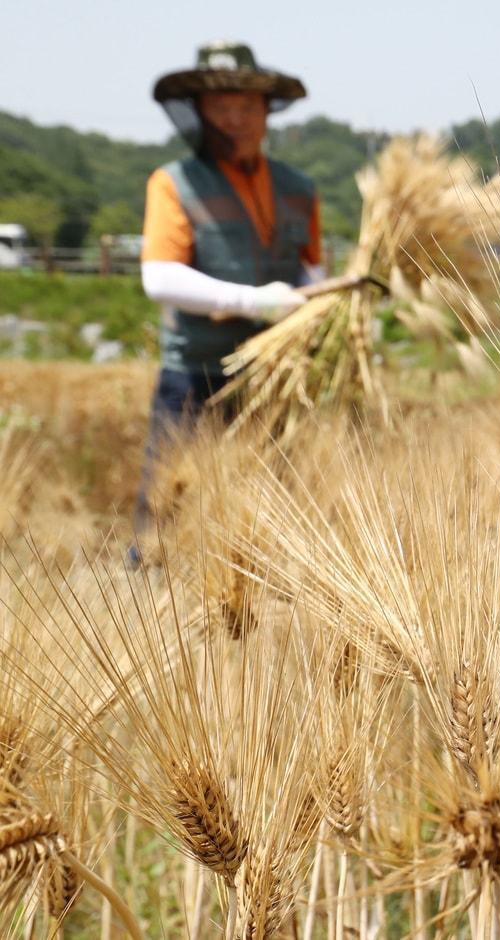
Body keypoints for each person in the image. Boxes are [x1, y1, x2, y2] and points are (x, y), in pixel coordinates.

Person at [129, 41, 323, 567]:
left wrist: (324, 305)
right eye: (220, 107)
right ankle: (148, 615)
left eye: (246, 106)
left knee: (266, 515)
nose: (234, 118)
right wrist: (251, 301)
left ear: (265, 112)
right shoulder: (175, 183)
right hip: (196, 375)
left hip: (273, 378)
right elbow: (159, 276)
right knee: (169, 516)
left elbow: (311, 269)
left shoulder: (298, 188)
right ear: (198, 112)